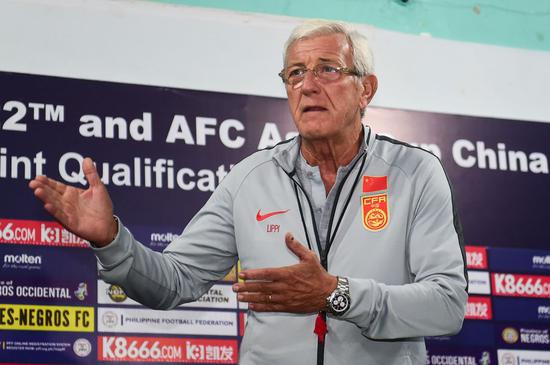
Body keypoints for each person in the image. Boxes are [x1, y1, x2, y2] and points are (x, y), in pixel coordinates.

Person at [29, 20, 468, 365]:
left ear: (366, 89)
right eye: (295, 73)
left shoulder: (415, 173)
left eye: (327, 70)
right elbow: (175, 281)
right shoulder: (250, 177)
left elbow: (446, 305)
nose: (308, 85)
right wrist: (111, 240)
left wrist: (336, 293)